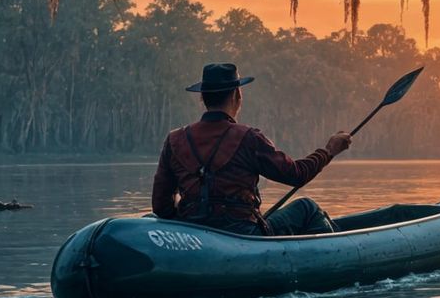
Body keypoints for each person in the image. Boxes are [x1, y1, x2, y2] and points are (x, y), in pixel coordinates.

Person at [151, 62, 352, 236]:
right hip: (244, 235)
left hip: (193, 235)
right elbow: (296, 175)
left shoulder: (174, 140)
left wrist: (193, 222)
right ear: (236, 95)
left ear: (202, 98)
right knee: (306, 207)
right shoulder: (248, 138)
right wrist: (328, 151)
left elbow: (161, 207)